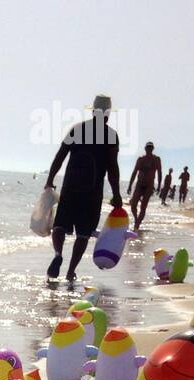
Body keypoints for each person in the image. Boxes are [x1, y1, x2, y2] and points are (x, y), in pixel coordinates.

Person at [43, 94, 122, 280]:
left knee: (60, 226)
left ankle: (58, 254)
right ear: (108, 113)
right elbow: (112, 167)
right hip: (92, 191)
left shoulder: (78, 129)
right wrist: (117, 194)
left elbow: (60, 155)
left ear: (93, 111)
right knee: (84, 233)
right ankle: (70, 271)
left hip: (71, 186)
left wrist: (50, 179)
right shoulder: (110, 135)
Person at [128, 141, 162, 230]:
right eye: (148, 147)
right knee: (133, 205)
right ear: (145, 148)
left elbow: (159, 173)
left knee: (143, 207)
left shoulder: (156, 159)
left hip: (149, 185)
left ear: (153, 149)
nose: (149, 149)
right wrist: (130, 185)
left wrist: (158, 186)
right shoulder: (141, 159)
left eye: (151, 147)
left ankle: (137, 225)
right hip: (139, 184)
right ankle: (136, 219)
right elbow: (134, 172)